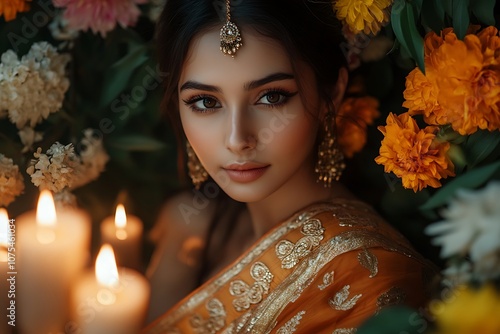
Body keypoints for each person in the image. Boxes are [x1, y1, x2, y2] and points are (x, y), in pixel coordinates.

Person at [144, 0, 437, 332]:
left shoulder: (370, 283)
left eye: (271, 97)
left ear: (333, 91)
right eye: (206, 102)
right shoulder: (191, 225)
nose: (238, 139)